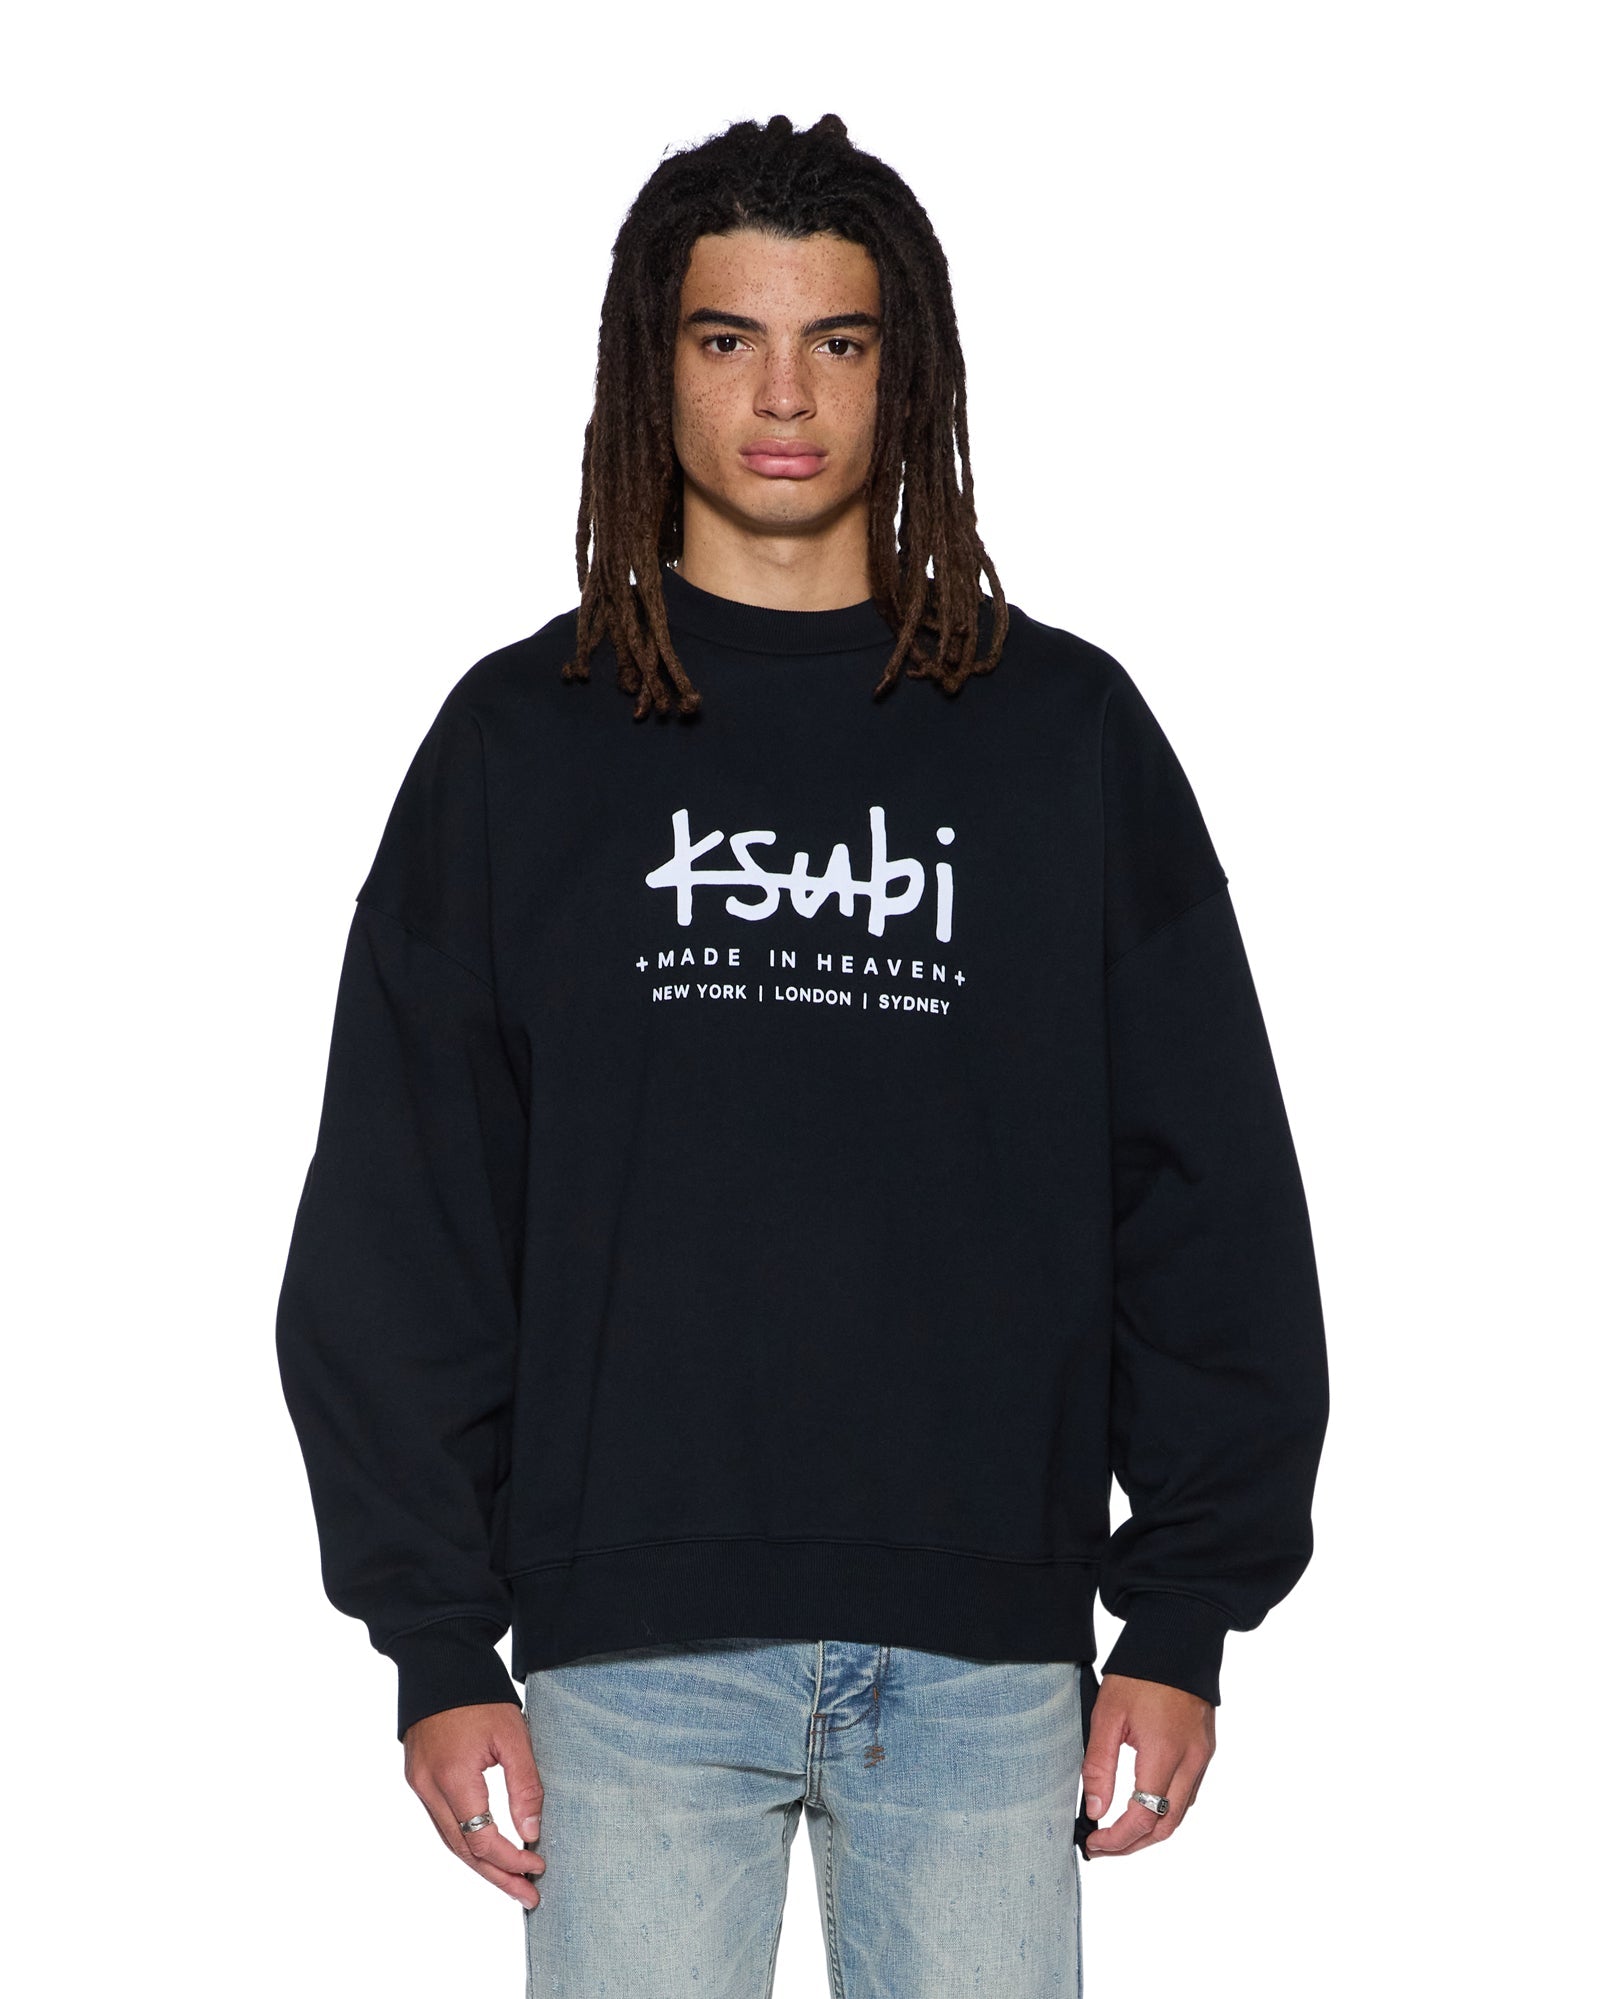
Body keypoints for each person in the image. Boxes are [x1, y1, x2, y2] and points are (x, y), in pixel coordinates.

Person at [275, 112, 1330, 1994]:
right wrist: (435, 1642)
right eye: (728, 338)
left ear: (903, 370)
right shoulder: (523, 743)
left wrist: (1184, 1610)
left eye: (839, 341)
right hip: (629, 1661)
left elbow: (1207, 1188)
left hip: (988, 1661)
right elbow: (403, 1217)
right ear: (653, 364)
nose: (785, 396)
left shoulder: (1062, 735)